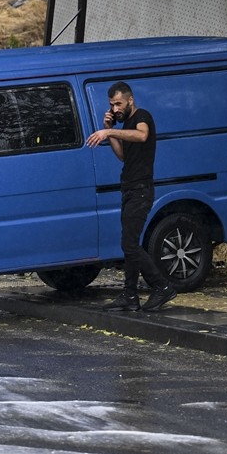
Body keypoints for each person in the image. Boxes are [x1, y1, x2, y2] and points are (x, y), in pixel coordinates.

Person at [85, 82, 177, 312]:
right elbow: (123, 156)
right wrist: (110, 131)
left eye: (118, 103)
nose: (116, 108)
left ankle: (162, 286)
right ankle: (130, 295)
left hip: (141, 190)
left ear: (130, 100)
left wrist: (109, 131)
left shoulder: (142, 116)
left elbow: (143, 135)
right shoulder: (125, 124)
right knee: (129, 244)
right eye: (112, 105)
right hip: (128, 188)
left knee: (129, 243)